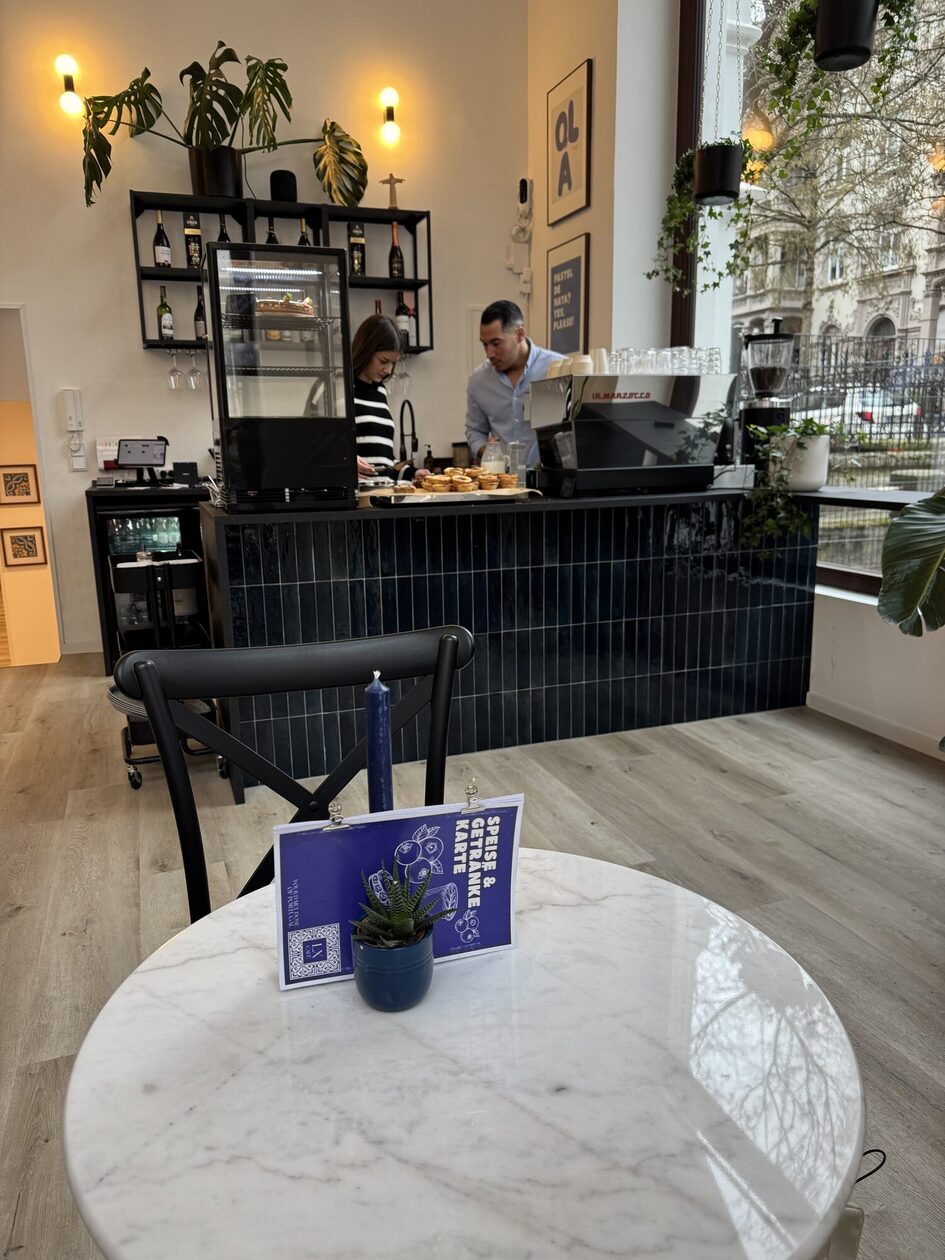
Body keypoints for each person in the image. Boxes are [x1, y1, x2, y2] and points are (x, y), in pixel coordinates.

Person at [465, 299, 564, 467]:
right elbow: (475, 431)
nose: (489, 353)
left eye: (496, 343)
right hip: (503, 486)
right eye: (485, 344)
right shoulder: (478, 381)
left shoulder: (558, 370)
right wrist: (489, 453)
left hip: (553, 482)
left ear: (519, 335)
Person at [350, 314, 405, 480]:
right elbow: (316, 450)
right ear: (366, 349)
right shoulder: (337, 387)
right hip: (356, 501)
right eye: (383, 361)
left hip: (381, 497)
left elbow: (385, 460)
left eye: (393, 363)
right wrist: (346, 464)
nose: (388, 370)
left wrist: (412, 472)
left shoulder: (380, 392)